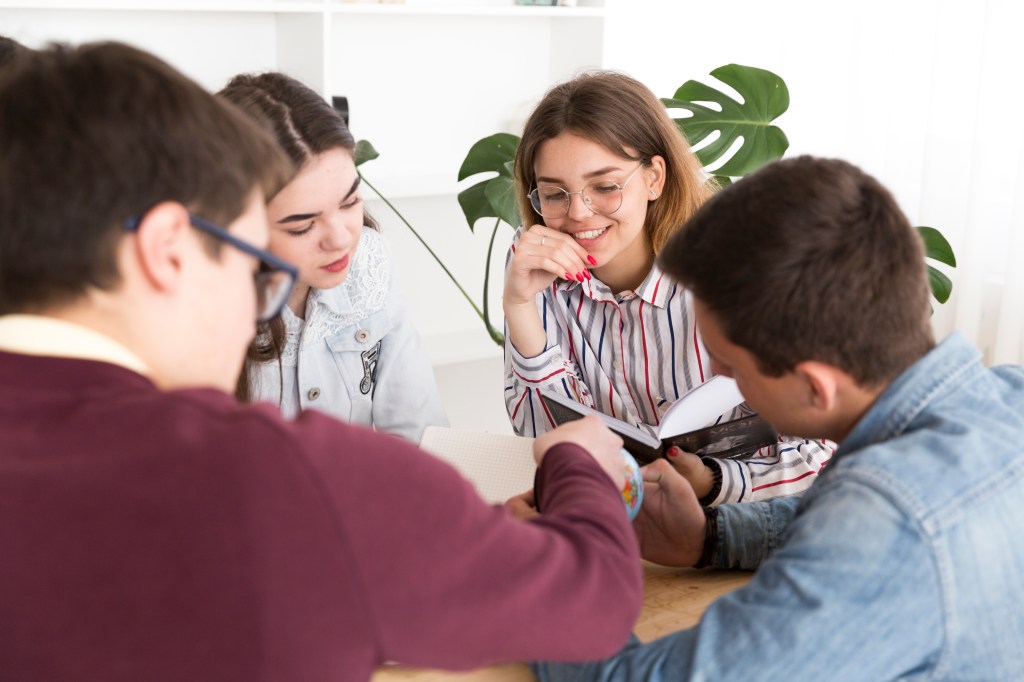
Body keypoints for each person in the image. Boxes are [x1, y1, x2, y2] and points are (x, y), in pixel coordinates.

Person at [0, 41, 644, 681]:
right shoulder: (296, 482)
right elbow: (593, 598)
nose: (264, 291)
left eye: (349, 203)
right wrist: (578, 464)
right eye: (259, 260)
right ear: (170, 247)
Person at [533, 156, 1024, 681]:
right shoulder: (1006, 396)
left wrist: (551, 561)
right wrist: (709, 538)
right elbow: (859, 525)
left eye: (731, 365)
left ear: (814, 386)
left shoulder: (885, 523)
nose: (717, 371)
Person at [503, 70, 834, 505]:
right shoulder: (534, 261)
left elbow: (820, 452)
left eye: (604, 187)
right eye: (554, 194)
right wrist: (520, 306)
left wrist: (711, 482)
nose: (579, 214)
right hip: (619, 522)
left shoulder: (745, 265)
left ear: (654, 178)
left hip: (747, 524)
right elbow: (542, 437)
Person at [217, 72, 447, 443]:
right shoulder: (203, 310)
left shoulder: (369, 264)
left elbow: (417, 429)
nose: (341, 239)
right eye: (302, 226)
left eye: (350, 201)